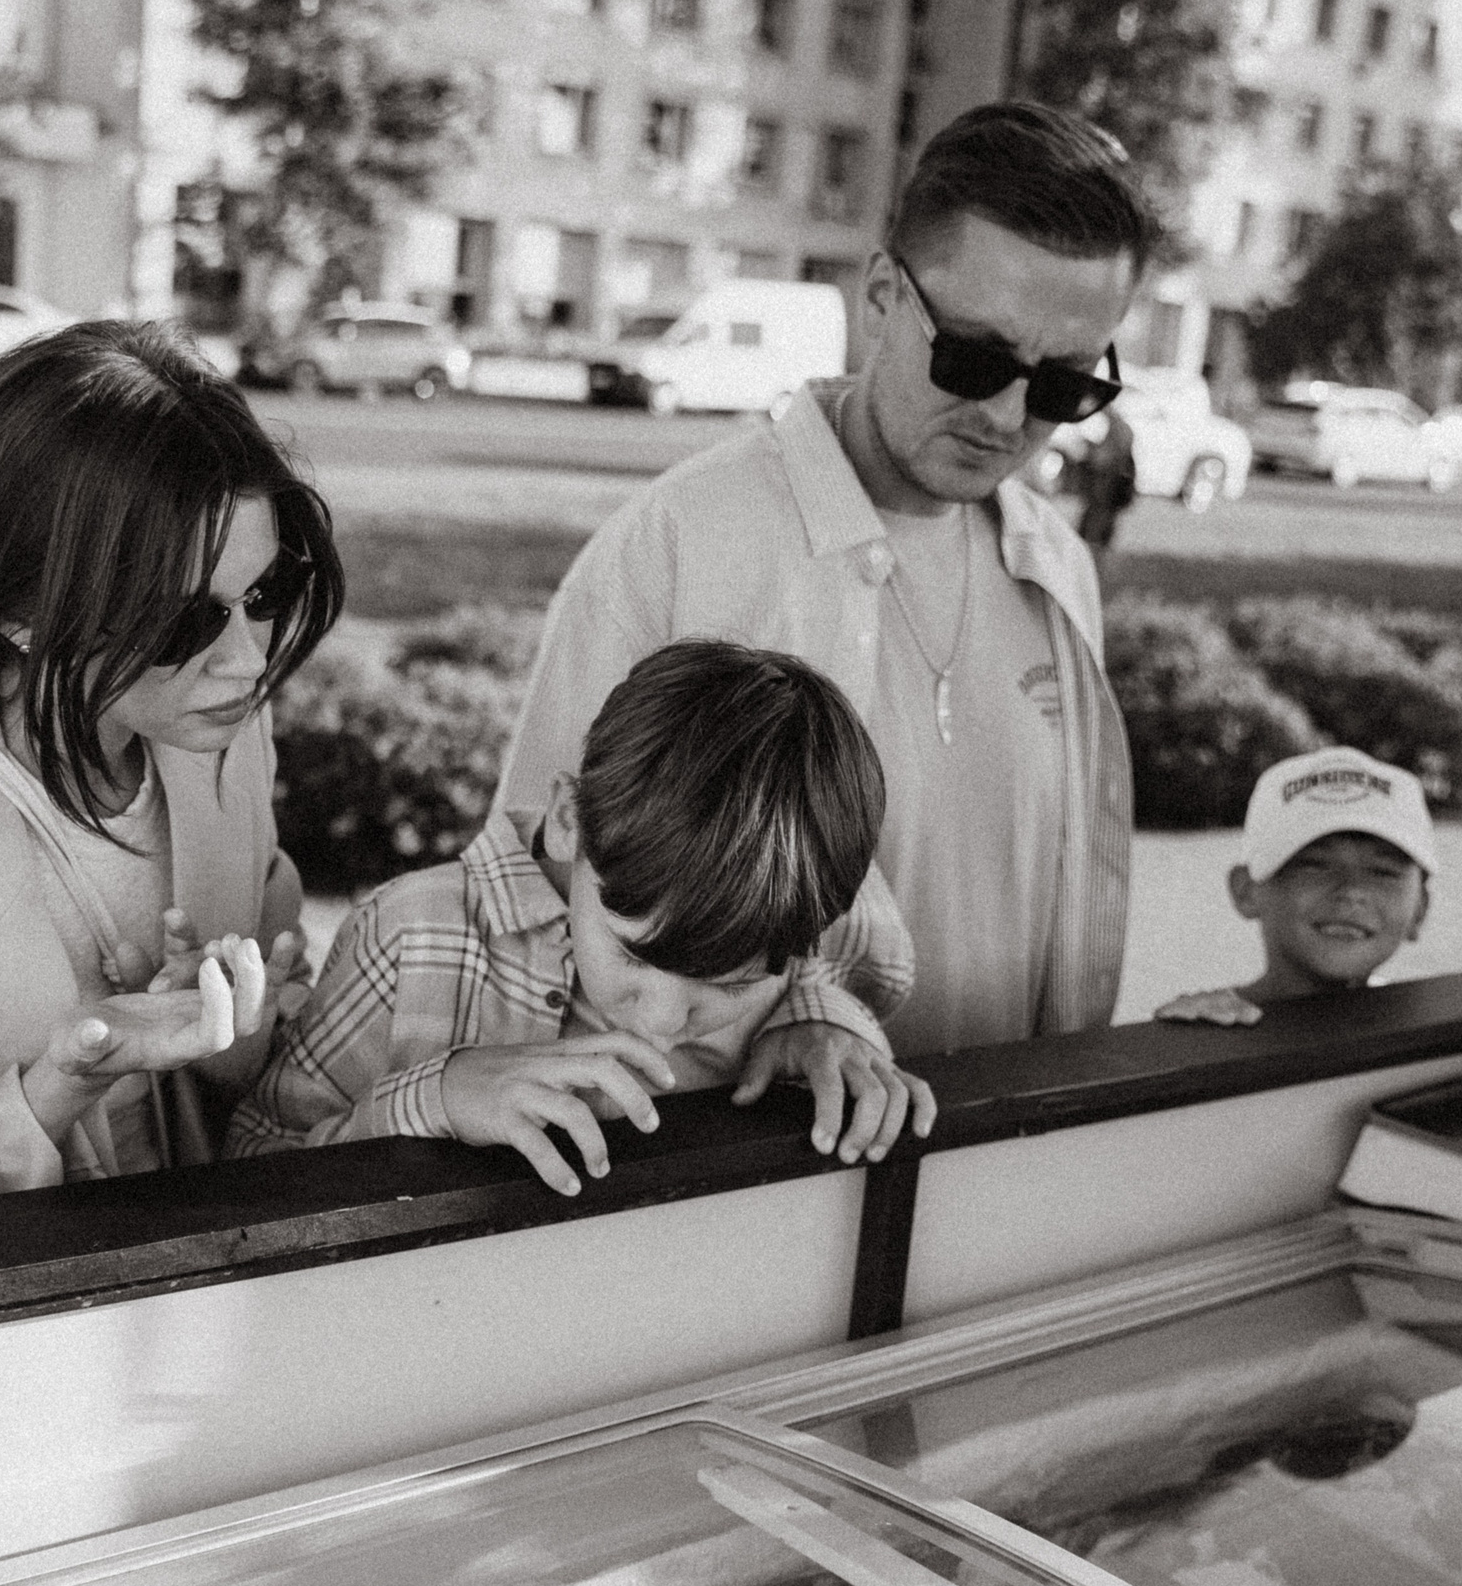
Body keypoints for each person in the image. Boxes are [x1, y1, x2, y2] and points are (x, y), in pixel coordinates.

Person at [496, 100, 1159, 1055]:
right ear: (883, 297)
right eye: (975, 358)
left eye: (1065, 386)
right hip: (759, 1171)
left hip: (1002, 1148)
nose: (1011, 415)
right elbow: (528, 904)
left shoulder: (1055, 567)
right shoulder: (681, 542)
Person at [0, 321, 343, 1217]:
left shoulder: (223, 737)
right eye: (182, 624)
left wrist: (247, 1042)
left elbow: (276, 1011)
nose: (247, 662)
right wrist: (66, 1079)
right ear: (16, 613)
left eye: (266, 593)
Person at [229, 640, 934, 1195]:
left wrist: (821, 1017)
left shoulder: (800, 901)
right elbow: (251, 1167)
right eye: (634, 955)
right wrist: (435, 1096)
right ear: (569, 819)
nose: (659, 1021)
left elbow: (851, 961)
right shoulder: (413, 935)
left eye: (729, 984)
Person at [1154, 747, 1437, 1026]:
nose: (1352, 892)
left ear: (1420, 909)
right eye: (1314, 865)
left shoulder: (1446, 1031)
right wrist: (1183, 1042)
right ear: (1246, 891)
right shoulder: (1209, 1032)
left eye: (1382, 872)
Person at [1073, 403, 1137, 555]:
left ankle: (1092, 550)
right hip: (1108, 488)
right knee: (1101, 519)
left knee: (1097, 520)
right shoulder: (1123, 429)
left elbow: (1103, 458)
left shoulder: (1120, 430)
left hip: (1107, 486)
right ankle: (1096, 548)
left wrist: (1089, 449)